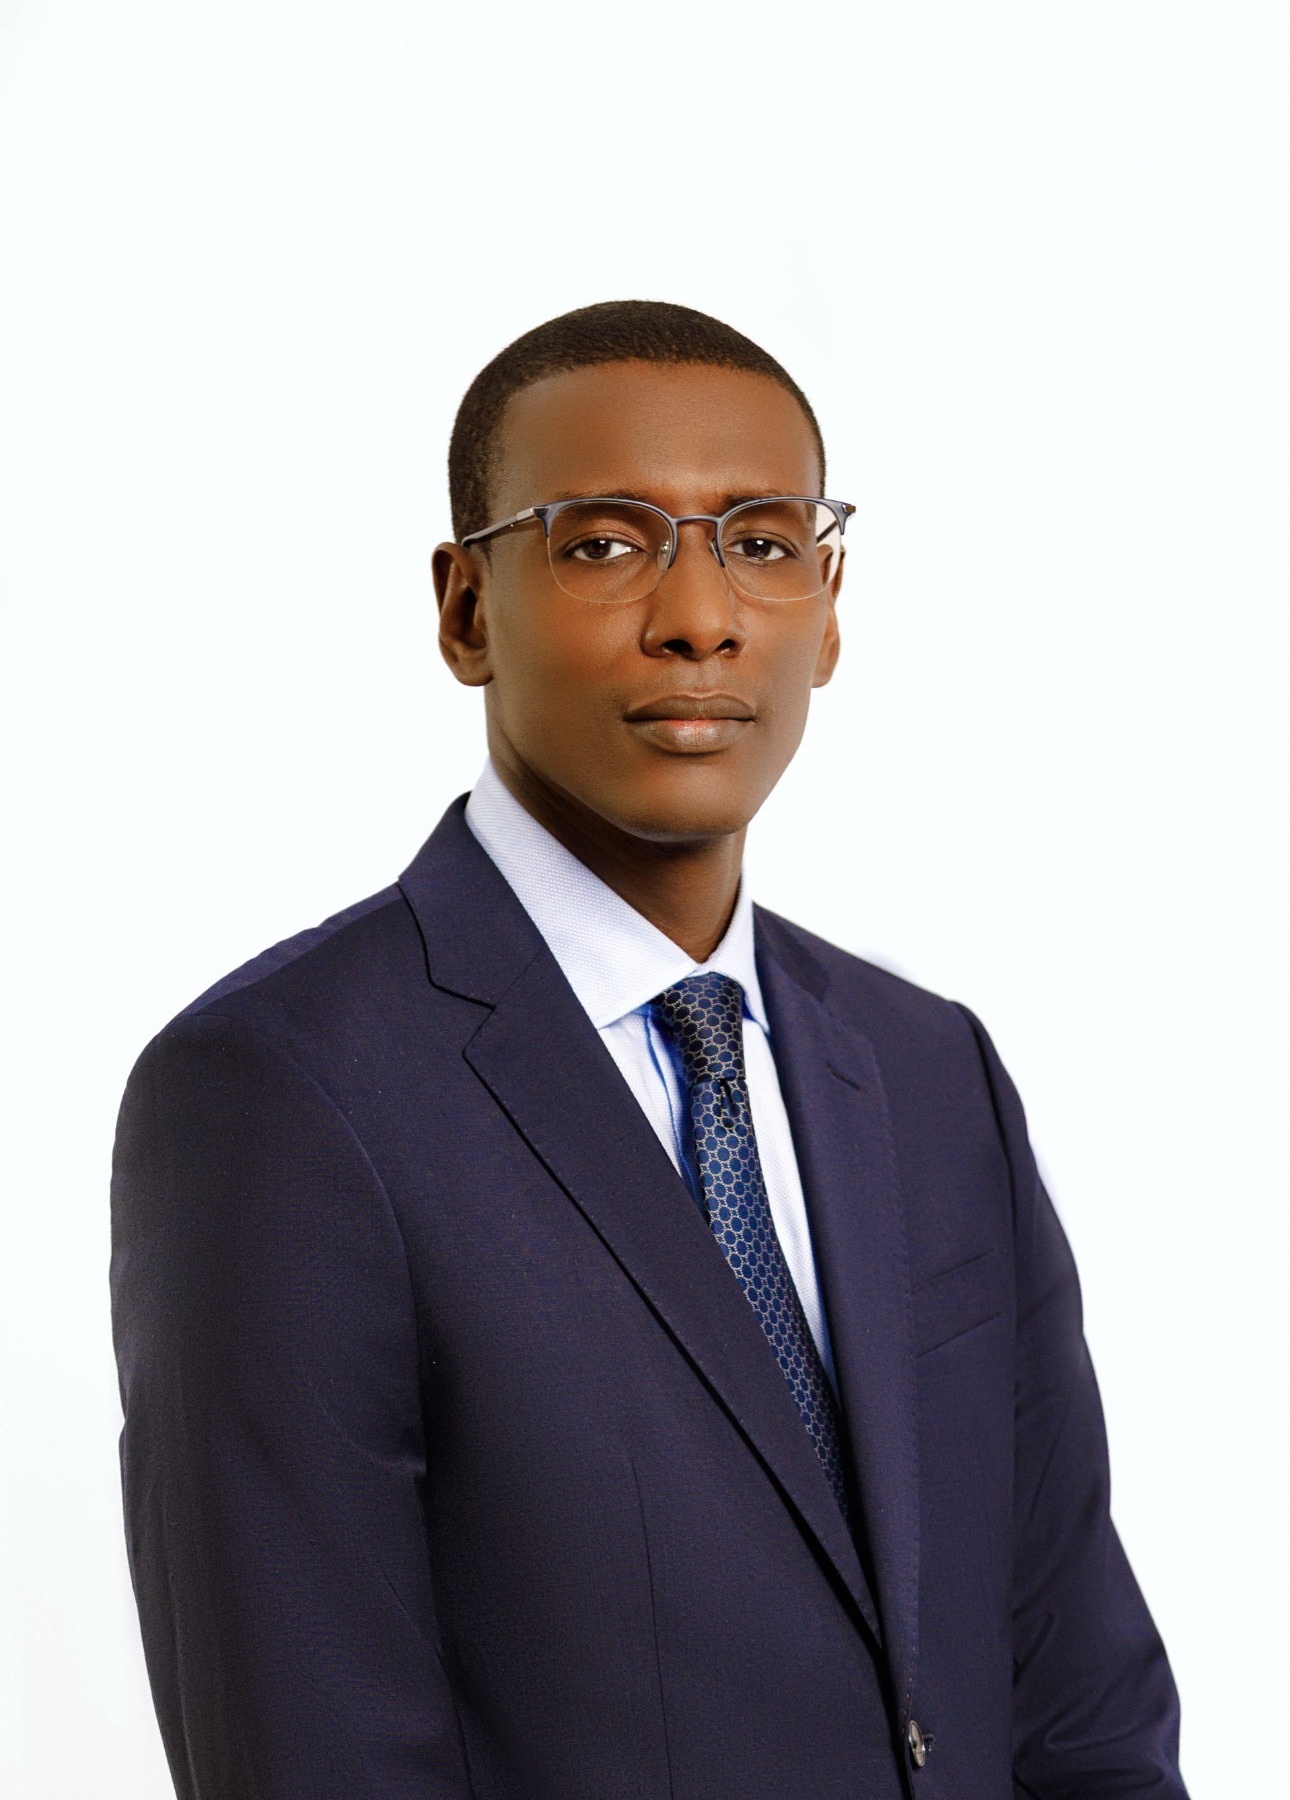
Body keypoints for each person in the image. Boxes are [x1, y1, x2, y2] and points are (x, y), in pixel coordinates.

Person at [111, 300, 1188, 1799]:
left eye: (762, 540)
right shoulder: (284, 1092)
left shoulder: (930, 1070)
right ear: (465, 610)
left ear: (827, 603)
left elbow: (1079, 1703)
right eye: (607, 543)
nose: (700, 616)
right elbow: (314, 1753)